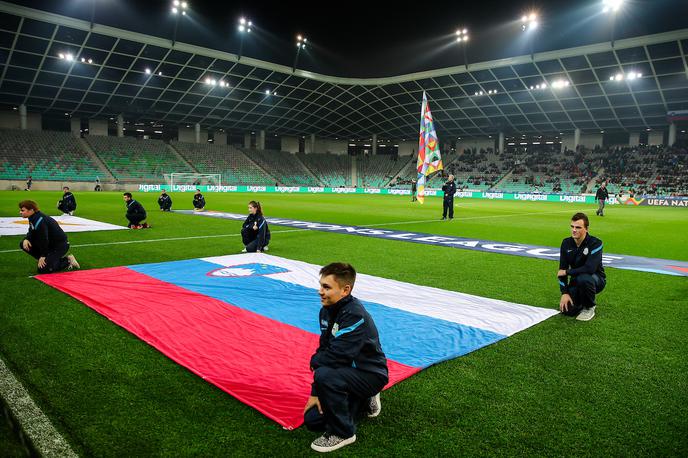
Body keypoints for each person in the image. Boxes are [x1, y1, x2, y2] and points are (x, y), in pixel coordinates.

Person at [303, 262, 388, 453]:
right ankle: (364, 400)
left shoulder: (354, 314)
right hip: (345, 374)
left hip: (370, 374)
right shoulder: (326, 310)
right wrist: (315, 392)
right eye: (321, 285)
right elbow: (324, 347)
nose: (320, 291)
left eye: (326, 287)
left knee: (325, 373)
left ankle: (343, 433)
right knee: (313, 420)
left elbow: (336, 356)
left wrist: (314, 362)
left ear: (345, 290)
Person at [557, 212, 606, 321]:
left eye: (578, 227)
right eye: (572, 227)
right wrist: (564, 293)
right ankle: (580, 302)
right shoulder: (566, 243)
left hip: (596, 279)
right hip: (576, 280)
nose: (574, 230)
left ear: (586, 229)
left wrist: (567, 272)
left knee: (583, 278)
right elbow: (561, 271)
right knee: (568, 310)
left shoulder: (596, 243)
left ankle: (589, 307)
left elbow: (590, 269)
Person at [18, 200, 79, 273]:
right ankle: (48, 260)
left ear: (31, 210)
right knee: (23, 244)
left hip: (60, 246)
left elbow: (44, 239)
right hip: (51, 244)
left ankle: (68, 260)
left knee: (43, 270)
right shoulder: (34, 217)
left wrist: (43, 255)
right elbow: (32, 231)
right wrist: (27, 239)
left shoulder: (39, 220)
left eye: (22, 210)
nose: (20, 212)